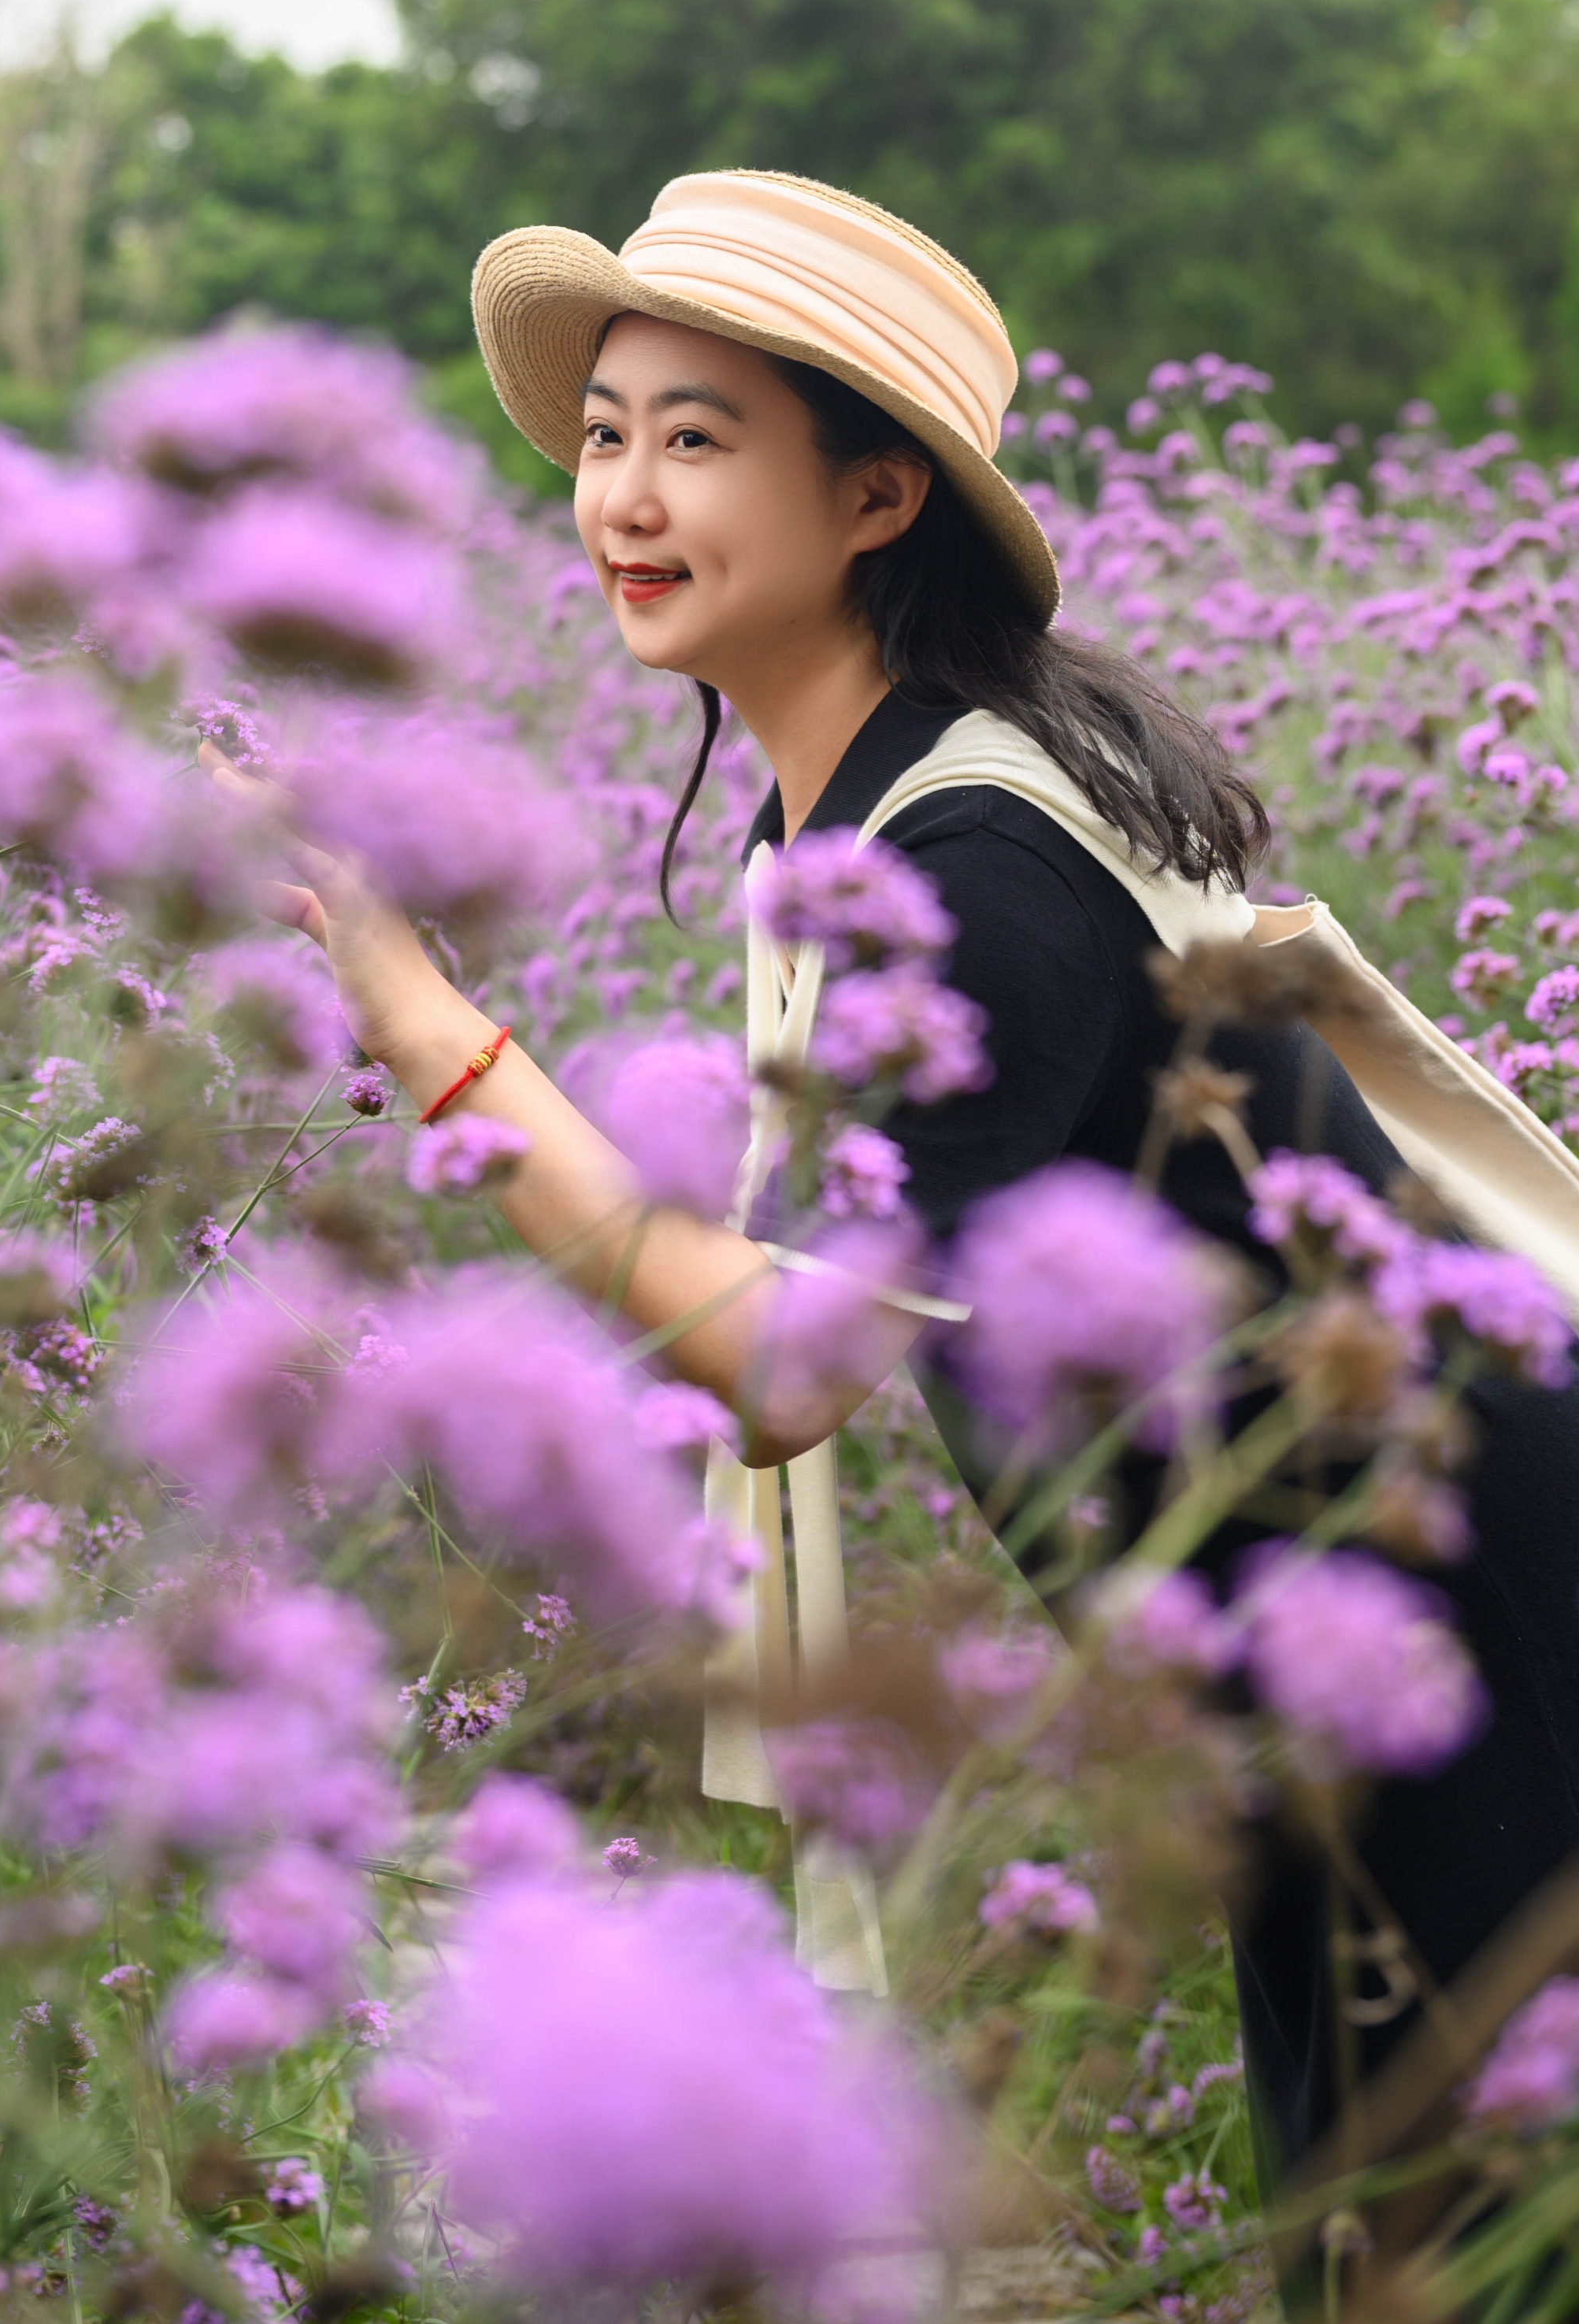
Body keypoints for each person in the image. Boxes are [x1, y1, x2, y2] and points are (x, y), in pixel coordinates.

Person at [204, 165, 1579, 2202]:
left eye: (698, 439)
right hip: (1319, 1642)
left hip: (1460, 1636)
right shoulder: (886, 810)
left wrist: (423, 1021)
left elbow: (776, 1351)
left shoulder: (967, 868)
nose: (627, 498)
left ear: (874, 498)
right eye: (604, 437)